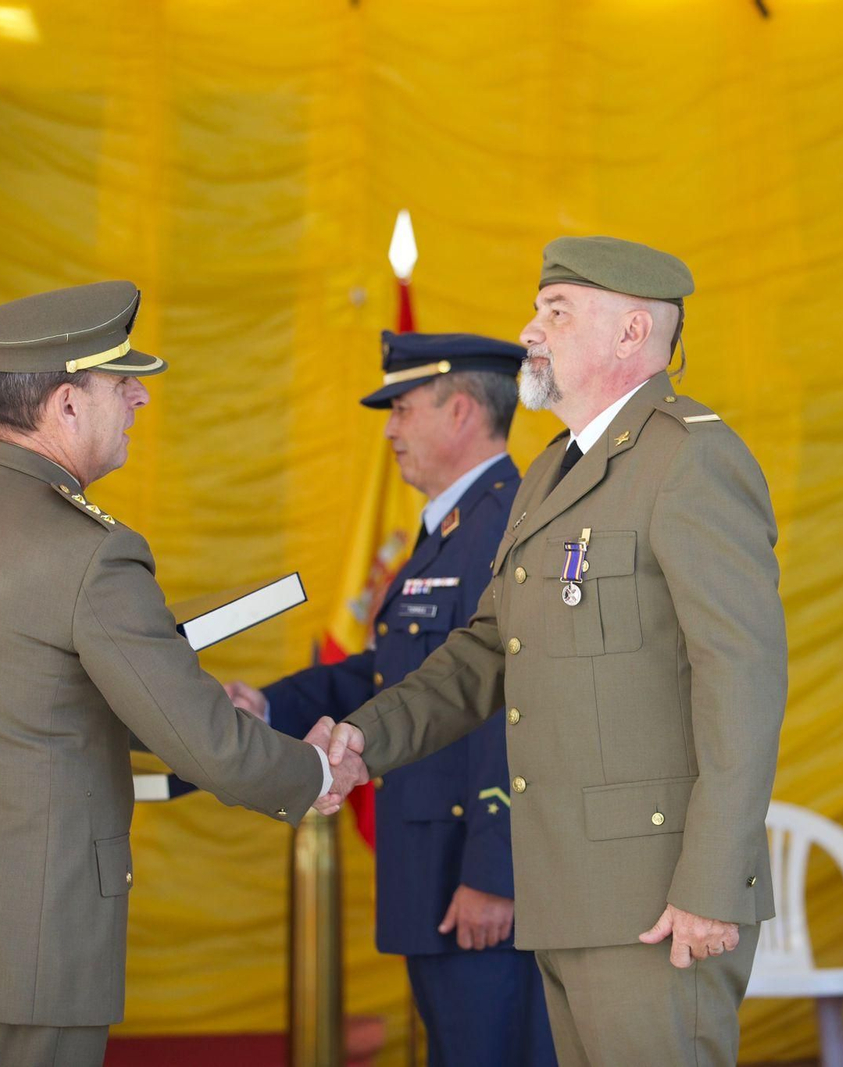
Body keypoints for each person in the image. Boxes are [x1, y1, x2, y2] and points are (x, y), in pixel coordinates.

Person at [0, 280, 365, 1067]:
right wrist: (314, 769)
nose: (140, 398)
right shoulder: (92, 551)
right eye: (123, 383)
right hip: (32, 941)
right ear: (69, 404)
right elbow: (207, 745)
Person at [325, 237, 788, 1066]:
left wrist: (713, 885)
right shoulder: (548, 473)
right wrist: (366, 736)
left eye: (557, 311)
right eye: (539, 308)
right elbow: (487, 652)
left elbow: (743, 682)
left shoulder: (691, 458)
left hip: (659, 898)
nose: (529, 330)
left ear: (631, 332)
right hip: (567, 892)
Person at [225, 331, 556, 1067]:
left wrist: (495, 872)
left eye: (403, 408)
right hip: (432, 872)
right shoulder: (453, 529)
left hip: (475, 886)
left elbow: (514, 704)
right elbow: (391, 674)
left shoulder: (506, 528)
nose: (390, 430)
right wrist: (267, 707)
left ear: (461, 411)